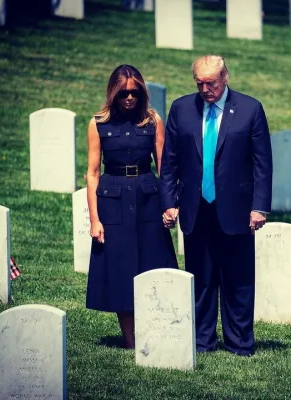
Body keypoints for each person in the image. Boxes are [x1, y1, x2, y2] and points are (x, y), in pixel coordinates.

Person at [159, 55, 273, 356]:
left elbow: (262, 163)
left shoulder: (250, 109)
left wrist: (259, 207)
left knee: (238, 280)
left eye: (211, 83)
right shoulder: (182, 109)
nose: (205, 89)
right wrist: (169, 202)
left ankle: (240, 342)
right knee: (201, 278)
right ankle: (201, 341)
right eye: (199, 83)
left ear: (225, 78)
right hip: (196, 207)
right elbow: (169, 161)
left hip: (236, 208)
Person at [86, 64, 178, 349]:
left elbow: (164, 167)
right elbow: (92, 173)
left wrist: (169, 205)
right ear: (113, 93)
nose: (129, 98)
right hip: (113, 200)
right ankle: (131, 340)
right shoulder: (98, 124)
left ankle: (160, 330)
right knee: (121, 268)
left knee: (153, 263)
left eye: (134, 93)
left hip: (147, 196)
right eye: (123, 93)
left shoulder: (152, 121)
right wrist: (94, 220)